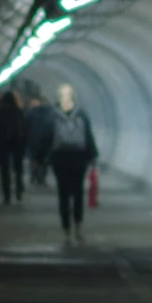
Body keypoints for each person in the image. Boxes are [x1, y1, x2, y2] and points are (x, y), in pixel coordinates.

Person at [41, 84, 97, 243]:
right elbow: (88, 136)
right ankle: (78, 226)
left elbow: (46, 137)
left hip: (60, 158)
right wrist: (93, 156)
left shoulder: (52, 115)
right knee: (78, 192)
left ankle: (66, 228)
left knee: (63, 194)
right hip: (79, 158)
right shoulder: (82, 114)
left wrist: (42, 158)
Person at [0, 88, 26, 204]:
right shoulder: (18, 111)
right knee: (18, 168)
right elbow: (24, 127)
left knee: (4, 169)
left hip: (3, 143)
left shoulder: (1, 111)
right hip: (17, 142)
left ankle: (7, 195)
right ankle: (18, 189)